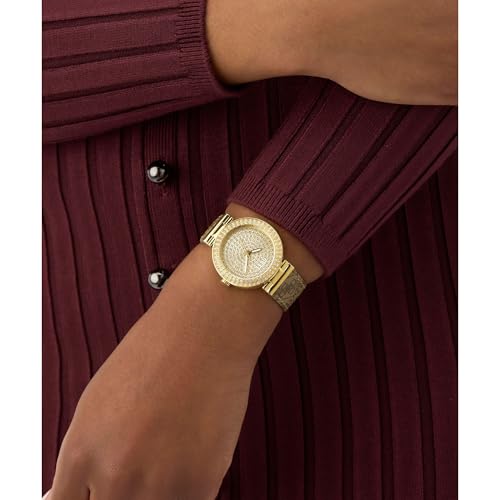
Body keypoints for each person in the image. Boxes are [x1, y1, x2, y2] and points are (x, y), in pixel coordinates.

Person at [42, 0, 457, 498]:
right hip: (68, 368)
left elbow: (448, 29)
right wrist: (291, 25)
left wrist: (209, 321)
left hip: (393, 363)